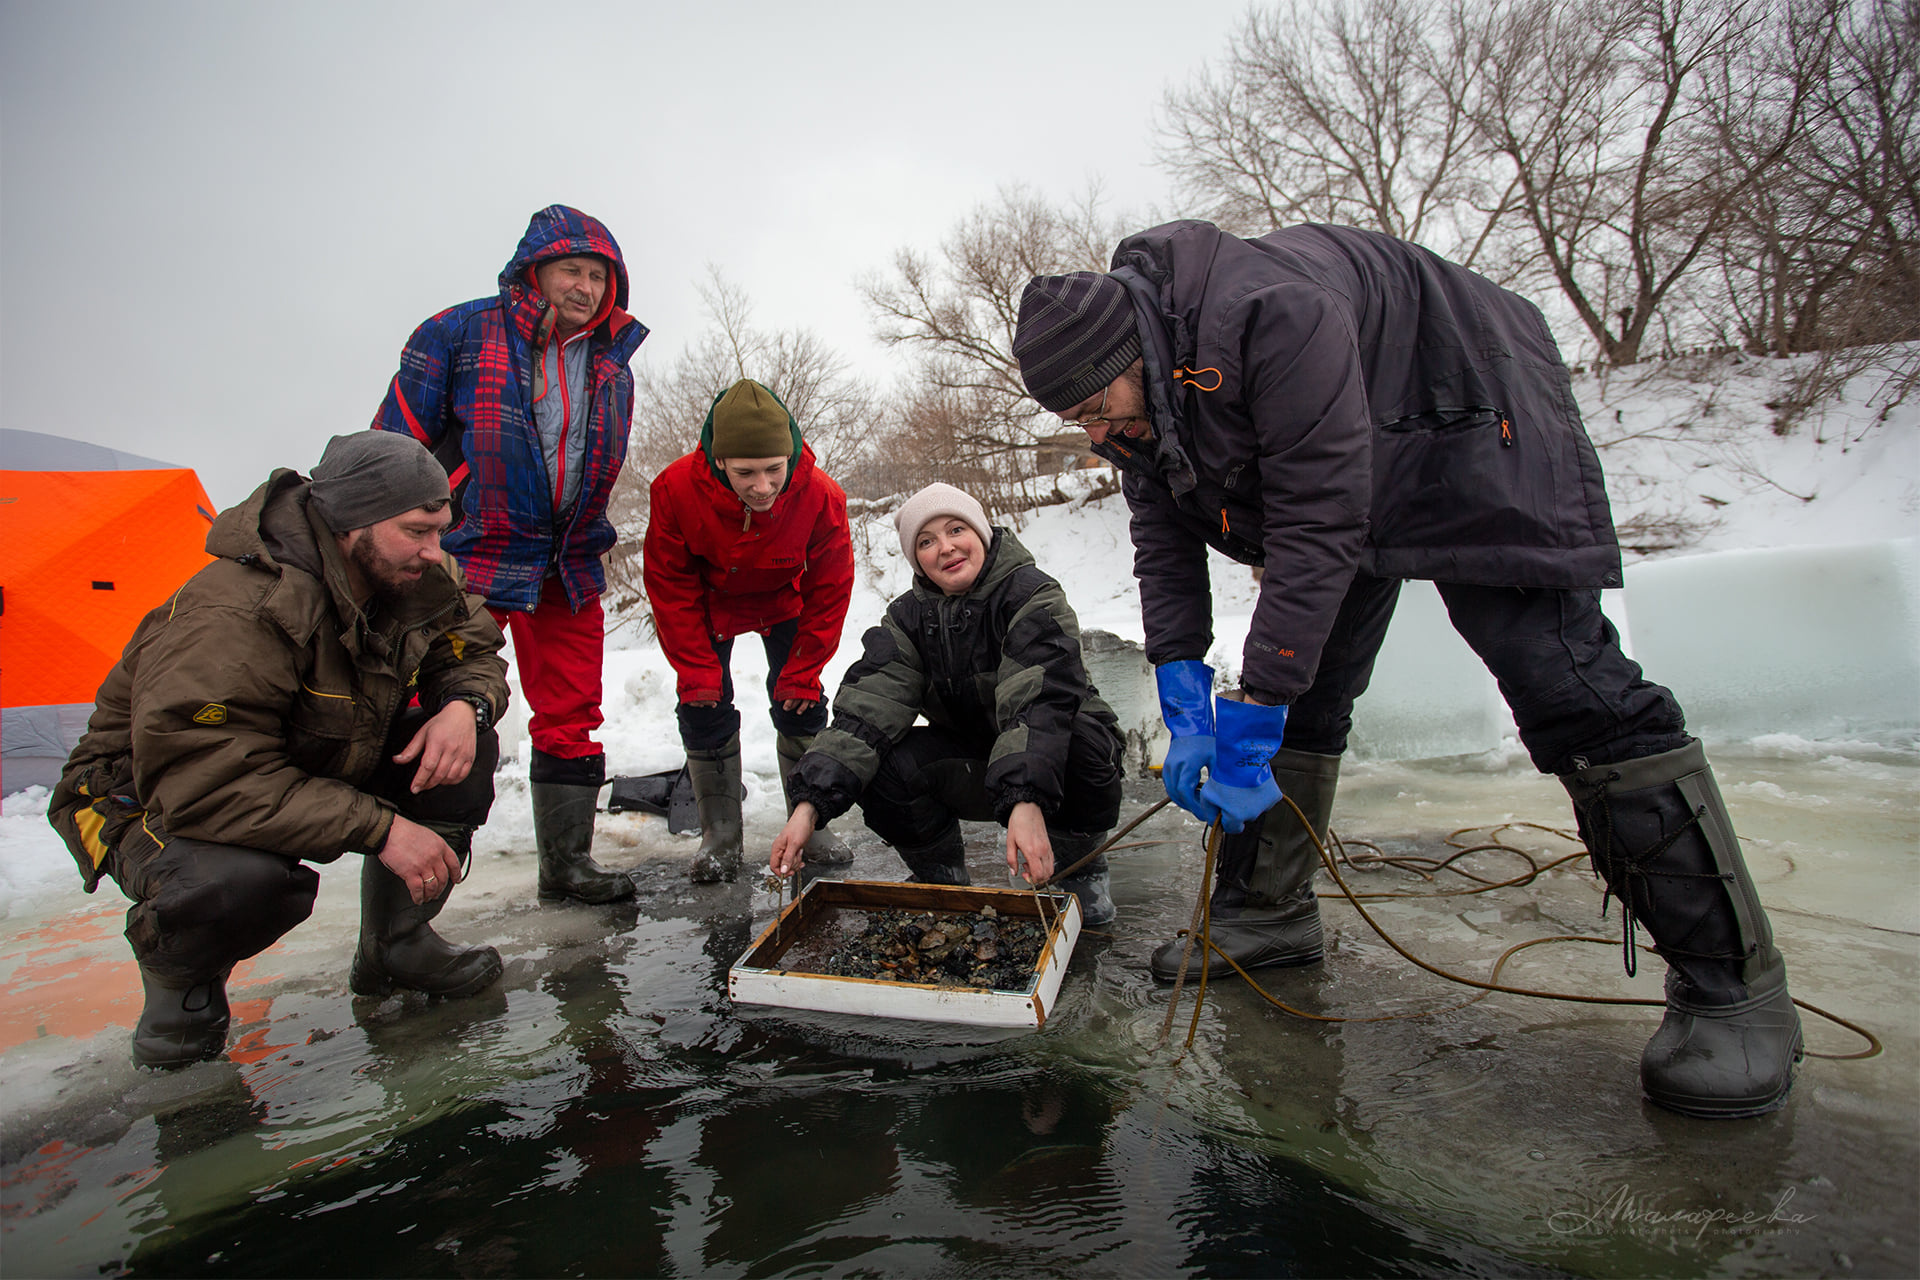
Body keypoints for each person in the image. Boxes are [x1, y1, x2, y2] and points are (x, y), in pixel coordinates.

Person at [1011, 221, 1801, 1118]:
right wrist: (1182, 683)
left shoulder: (1270, 312)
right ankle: (1266, 913)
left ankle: (1734, 988)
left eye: (1093, 407)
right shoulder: (1141, 398)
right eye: (1077, 420)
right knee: (1307, 687)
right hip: (1348, 462)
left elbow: (1317, 520)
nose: (1093, 429)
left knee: (1565, 686)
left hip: (1471, 419)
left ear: (1131, 353)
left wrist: (1260, 697)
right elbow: (1163, 543)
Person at [48, 433, 511, 1069]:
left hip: (302, 755)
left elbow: (471, 647)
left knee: (462, 751)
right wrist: (382, 828)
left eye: (441, 530)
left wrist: (465, 706)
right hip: (147, 795)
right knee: (237, 884)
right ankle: (183, 1004)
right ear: (353, 524)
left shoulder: (409, 571)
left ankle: (395, 944)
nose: (436, 552)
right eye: (417, 531)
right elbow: (207, 781)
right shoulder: (237, 612)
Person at [373, 204, 647, 906]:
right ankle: (403, 911)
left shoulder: (614, 366)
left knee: (572, 711)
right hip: (471, 553)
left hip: (568, 558)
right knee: (435, 699)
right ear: (534, 271)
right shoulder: (458, 333)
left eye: (598, 275)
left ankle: (566, 866)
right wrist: (404, 538)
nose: (584, 287)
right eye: (570, 270)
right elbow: (396, 446)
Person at [771, 483, 1125, 926]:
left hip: (1053, 763)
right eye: (926, 541)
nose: (946, 548)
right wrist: (809, 807)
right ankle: (942, 879)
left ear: (981, 532)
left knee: (1082, 744)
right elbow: (865, 712)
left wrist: (1026, 800)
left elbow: (1039, 702)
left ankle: (1078, 871)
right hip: (974, 761)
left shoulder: (1033, 595)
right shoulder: (905, 618)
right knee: (883, 763)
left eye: (956, 529)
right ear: (915, 557)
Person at [644, 378, 855, 882]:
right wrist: (696, 672)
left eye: (773, 470)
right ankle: (721, 835)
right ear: (718, 460)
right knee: (702, 705)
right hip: (708, 601)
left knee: (800, 702)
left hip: (786, 597)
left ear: (791, 457)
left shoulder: (822, 495)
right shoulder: (673, 489)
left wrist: (804, 670)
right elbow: (670, 588)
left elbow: (831, 588)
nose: (761, 487)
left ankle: (811, 820)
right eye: (745, 473)